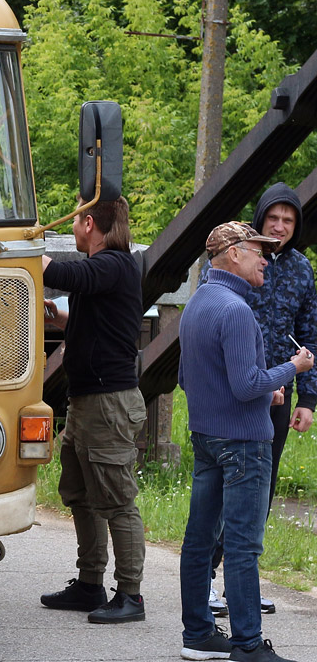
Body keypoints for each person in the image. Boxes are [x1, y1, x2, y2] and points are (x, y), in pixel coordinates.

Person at [178, 221, 314, 662]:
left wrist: (264, 389)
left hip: (207, 438)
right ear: (233, 253)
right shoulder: (236, 310)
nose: (267, 258)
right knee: (241, 547)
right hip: (244, 444)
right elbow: (245, 383)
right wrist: (292, 369)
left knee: (199, 540)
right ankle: (248, 646)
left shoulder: (197, 303)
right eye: (259, 249)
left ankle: (197, 635)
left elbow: (189, 378)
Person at [199, 184, 316, 616]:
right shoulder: (240, 257)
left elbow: (310, 332)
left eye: (288, 221)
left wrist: (309, 398)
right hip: (237, 388)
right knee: (225, 490)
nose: (280, 227)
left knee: (260, 491)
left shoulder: (302, 269)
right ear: (261, 219)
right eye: (274, 219)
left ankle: (239, 582)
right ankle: (208, 580)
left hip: (281, 388)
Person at [38, 197, 148, 624]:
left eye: (78, 215)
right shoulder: (104, 273)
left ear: (88, 223)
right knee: (82, 495)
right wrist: (65, 321)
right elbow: (104, 324)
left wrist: (21, 245)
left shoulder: (115, 264)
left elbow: (65, 273)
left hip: (109, 404)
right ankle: (90, 584)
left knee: (117, 500)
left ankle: (131, 595)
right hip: (86, 402)